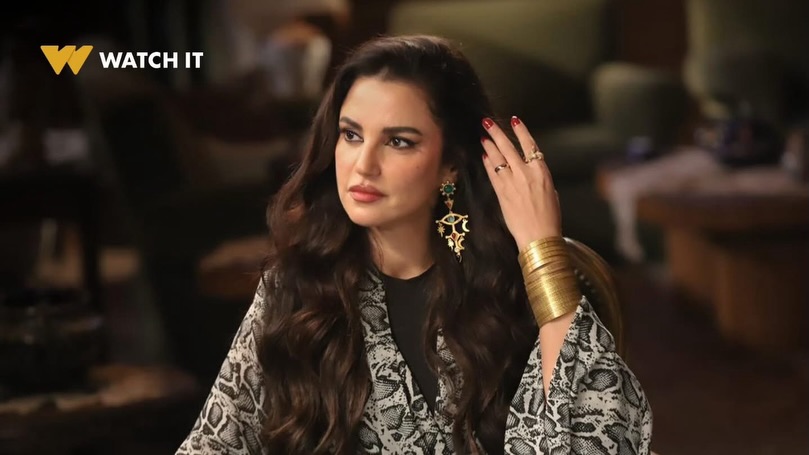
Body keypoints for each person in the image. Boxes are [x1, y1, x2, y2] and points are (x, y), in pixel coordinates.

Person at [176, 35, 652, 455]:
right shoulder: (297, 286)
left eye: (399, 142)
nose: (364, 164)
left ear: (450, 165)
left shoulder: (510, 288)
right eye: (351, 135)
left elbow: (600, 443)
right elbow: (212, 444)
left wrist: (540, 248)